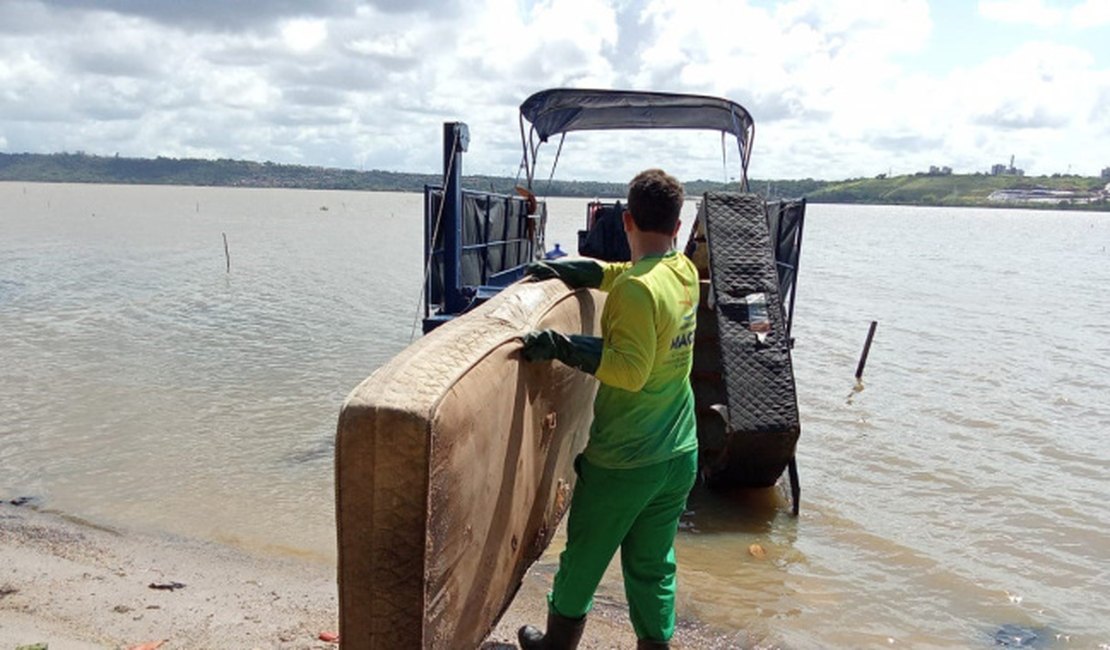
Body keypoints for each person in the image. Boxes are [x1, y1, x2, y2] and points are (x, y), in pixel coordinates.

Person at [517, 168, 699, 650]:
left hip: (625, 458)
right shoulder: (683, 272)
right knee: (653, 563)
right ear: (678, 228)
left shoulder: (637, 291)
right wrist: (591, 271)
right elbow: (636, 273)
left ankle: (554, 646)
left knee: (585, 557)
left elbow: (629, 370)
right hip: (679, 450)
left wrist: (562, 346)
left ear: (627, 221)